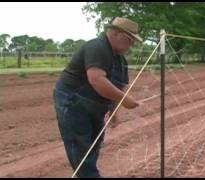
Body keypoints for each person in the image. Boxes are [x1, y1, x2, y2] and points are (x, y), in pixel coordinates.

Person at [53, 17, 142, 178]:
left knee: (94, 143)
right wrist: (125, 100)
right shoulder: (97, 47)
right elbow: (96, 79)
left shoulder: (121, 61)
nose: (132, 44)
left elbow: (119, 87)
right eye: (129, 39)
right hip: (73, 101)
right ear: (115, 33)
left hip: (95, 105)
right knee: (81, 146)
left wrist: (114, 113)